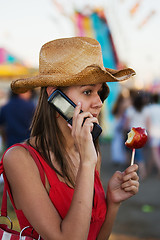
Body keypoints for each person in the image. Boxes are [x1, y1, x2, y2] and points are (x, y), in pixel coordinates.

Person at [1, 37, 139, 240]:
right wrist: (87, 163)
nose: (99, 103)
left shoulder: (91, 154)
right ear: (55, 97)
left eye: (100, 92)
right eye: (87, 91)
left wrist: (113, 203)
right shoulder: (20, 159)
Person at [124, 92, 148, 180]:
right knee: (139, 153)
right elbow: (148, 123)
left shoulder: (130, 109)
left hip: (132, 134)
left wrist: (124, 132)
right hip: (143, 134)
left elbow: (126, 123)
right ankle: (142, 171)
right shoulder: (145, 110)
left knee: (131, 152)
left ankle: (137, 171)